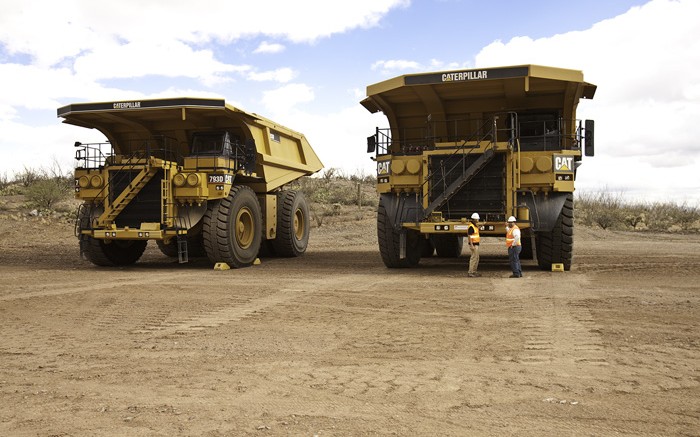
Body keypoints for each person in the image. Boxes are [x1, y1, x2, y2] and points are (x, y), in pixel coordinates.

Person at [467, 212, 481, 277]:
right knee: (473, 258)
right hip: (474, 245)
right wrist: (471, 245)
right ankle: (471, 272)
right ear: (474, 219)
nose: (478, 220)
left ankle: (474, 271)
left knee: (477, 258)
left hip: (476, 244)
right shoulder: (471, 227)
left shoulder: (475, 226)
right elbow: (469, 236)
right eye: (477, 219)